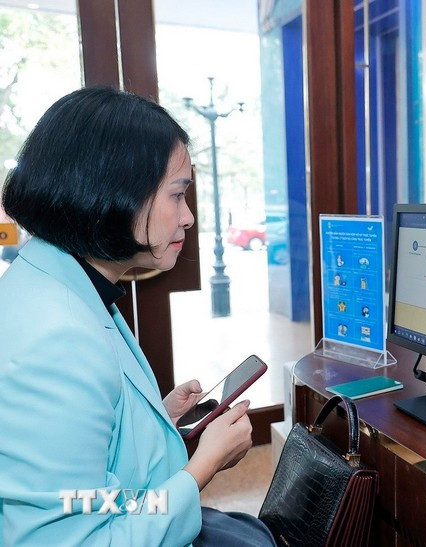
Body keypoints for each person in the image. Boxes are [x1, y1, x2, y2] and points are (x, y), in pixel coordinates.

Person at [0, 88, 275, 545]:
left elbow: (83, 464)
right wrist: (202, 467)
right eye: (177, 195)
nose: (188, 217)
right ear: (113, 193)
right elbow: (81, 538)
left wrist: (154, 420)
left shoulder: (60, 280)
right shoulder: (57, 340)